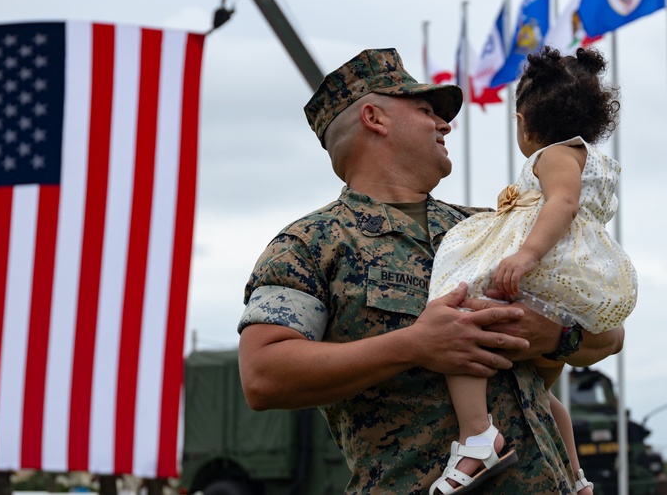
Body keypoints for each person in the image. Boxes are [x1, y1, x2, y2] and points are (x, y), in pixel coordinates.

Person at [237, 48, 626, 495]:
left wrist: (555, 335)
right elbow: (263, 374)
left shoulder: (489, 228)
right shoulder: (310, 245)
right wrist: (414, 345)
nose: (445, 124)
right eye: (426, 110)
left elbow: (611, 334)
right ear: (373, 118)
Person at [425, 46, 636, 495]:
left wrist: (526, 254)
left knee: (463, 321)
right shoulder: (588, 159)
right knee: (541, 396)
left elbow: (562, 202)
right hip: (569, 287)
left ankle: (477, 435)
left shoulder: (553, 157)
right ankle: (576, 476)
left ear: (523, 121)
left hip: (543, 276)